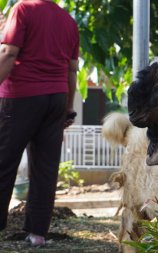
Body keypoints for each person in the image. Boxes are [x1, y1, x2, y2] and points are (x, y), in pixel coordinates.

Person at [0, 0, 79, 246]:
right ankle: (37, 234)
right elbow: (72, 69)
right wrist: (67, 108)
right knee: (46, 168)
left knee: (3, 162)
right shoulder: (68, 20)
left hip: (21, 96)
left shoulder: (23, 9)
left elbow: (8, 52)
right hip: (56, 97)